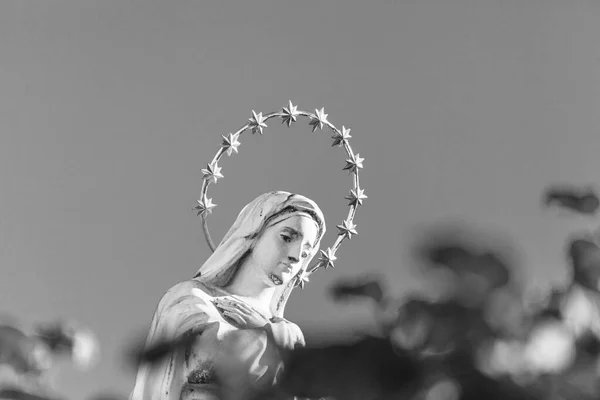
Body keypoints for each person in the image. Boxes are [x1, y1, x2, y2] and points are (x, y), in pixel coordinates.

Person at [130, 191, 326, 400]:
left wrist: (267, 329)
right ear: (254, 233)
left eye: (306, 253)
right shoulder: (191, 298)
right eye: (287, 238)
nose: (295, 256)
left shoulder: (290, 335)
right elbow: (160, 380)